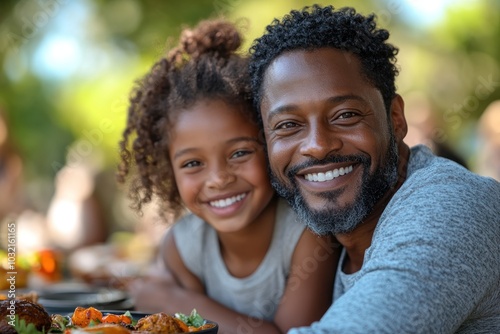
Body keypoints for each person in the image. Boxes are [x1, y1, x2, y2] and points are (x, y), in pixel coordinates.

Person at [249, 5, 500, 333]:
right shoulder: (325, 233)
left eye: (345, 115)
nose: (318, 145)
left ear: (396, 118)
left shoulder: (455, 205)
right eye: (288, 124)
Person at [116, 19, 338, 334]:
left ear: (269, 143)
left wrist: (170, 299)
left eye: (239, 153)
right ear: (169, 171)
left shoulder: (307, 236)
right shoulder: (184, 246)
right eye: (193, 163)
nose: (219, 179)